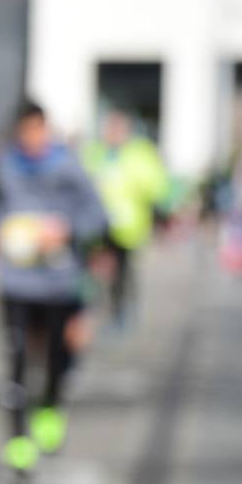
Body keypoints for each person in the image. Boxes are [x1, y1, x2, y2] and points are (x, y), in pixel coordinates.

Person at [0, 102, 106, 481]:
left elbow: (97, 214)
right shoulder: (5, 164)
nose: (32, 139)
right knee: (15, 360)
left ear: (46, 130)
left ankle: (50, 405)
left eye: (38, 131)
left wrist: (65, 229)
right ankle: (17, 440)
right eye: (25, 131)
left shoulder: (69, 168)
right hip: (15, 281)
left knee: (53, 357)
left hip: (58, 282)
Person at [80, 108, 169, 329]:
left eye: (118, 128)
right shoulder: (95, 152)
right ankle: (93, 310)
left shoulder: (141, 154)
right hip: (98, 223)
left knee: (123, 272)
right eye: (110, 128)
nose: (113, 133)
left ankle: (122, 313)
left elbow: (157, 187)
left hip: (129, 227)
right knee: (95, 269)